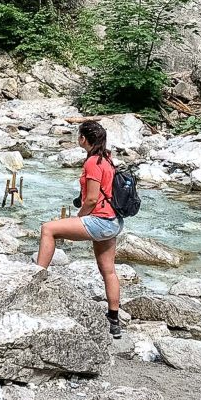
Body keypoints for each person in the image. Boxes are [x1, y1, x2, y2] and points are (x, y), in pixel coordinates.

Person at [36, 119, 123, 338]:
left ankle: (34, 278)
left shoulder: (93, 162)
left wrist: (79, 217)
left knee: (48, 229)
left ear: (83, 138)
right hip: (113, 221)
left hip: (99, 221)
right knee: (109, 270)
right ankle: (114, 321)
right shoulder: (107, 158)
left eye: (78, 135)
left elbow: (92, 199)